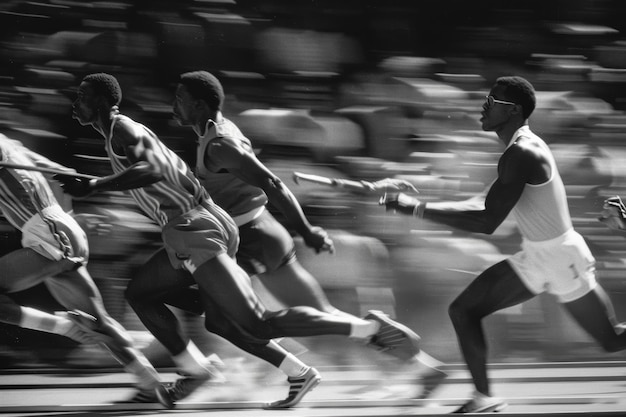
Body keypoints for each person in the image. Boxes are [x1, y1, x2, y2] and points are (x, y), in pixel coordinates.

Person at [54, 72, 421, 409]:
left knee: (256, 322)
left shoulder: (126, 129)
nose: (75, 105)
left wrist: (95, 185)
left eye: (82, 98)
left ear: (101, 101)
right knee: (174, 305)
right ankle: (288, 373)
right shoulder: (129, 133)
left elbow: (151, 169)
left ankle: (372, 329)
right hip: (196, 228)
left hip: (200, 230)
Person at [151, 69, 446, 397]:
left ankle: (264, 370)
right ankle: (422, 366)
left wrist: (307, 230)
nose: (172, 105)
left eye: (180, 99)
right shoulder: (218, 132)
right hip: (265, 233)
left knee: (215, 314)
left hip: (250, 240)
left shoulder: (220, 143)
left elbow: (272, 184)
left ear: (200, 104)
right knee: (320, 319)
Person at [381, 75, 626, 413]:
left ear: (513, 111)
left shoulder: (522, 152)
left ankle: (484, 399)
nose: (484, 106)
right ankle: (484, 400)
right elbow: (478, 205)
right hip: (539, 255)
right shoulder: (515, 151)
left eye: (492, 101)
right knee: (464, 310)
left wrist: (413, 209)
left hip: (560, 257)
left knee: (611, 341)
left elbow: (486, 221)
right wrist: (415, 207)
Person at [0, 134, 169, 406]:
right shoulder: (11, 145)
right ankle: (152, 386)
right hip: (60, 229)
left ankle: (65, 327)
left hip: (49, 233)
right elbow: (63, 173)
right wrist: (62, 221)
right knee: (99, 323)